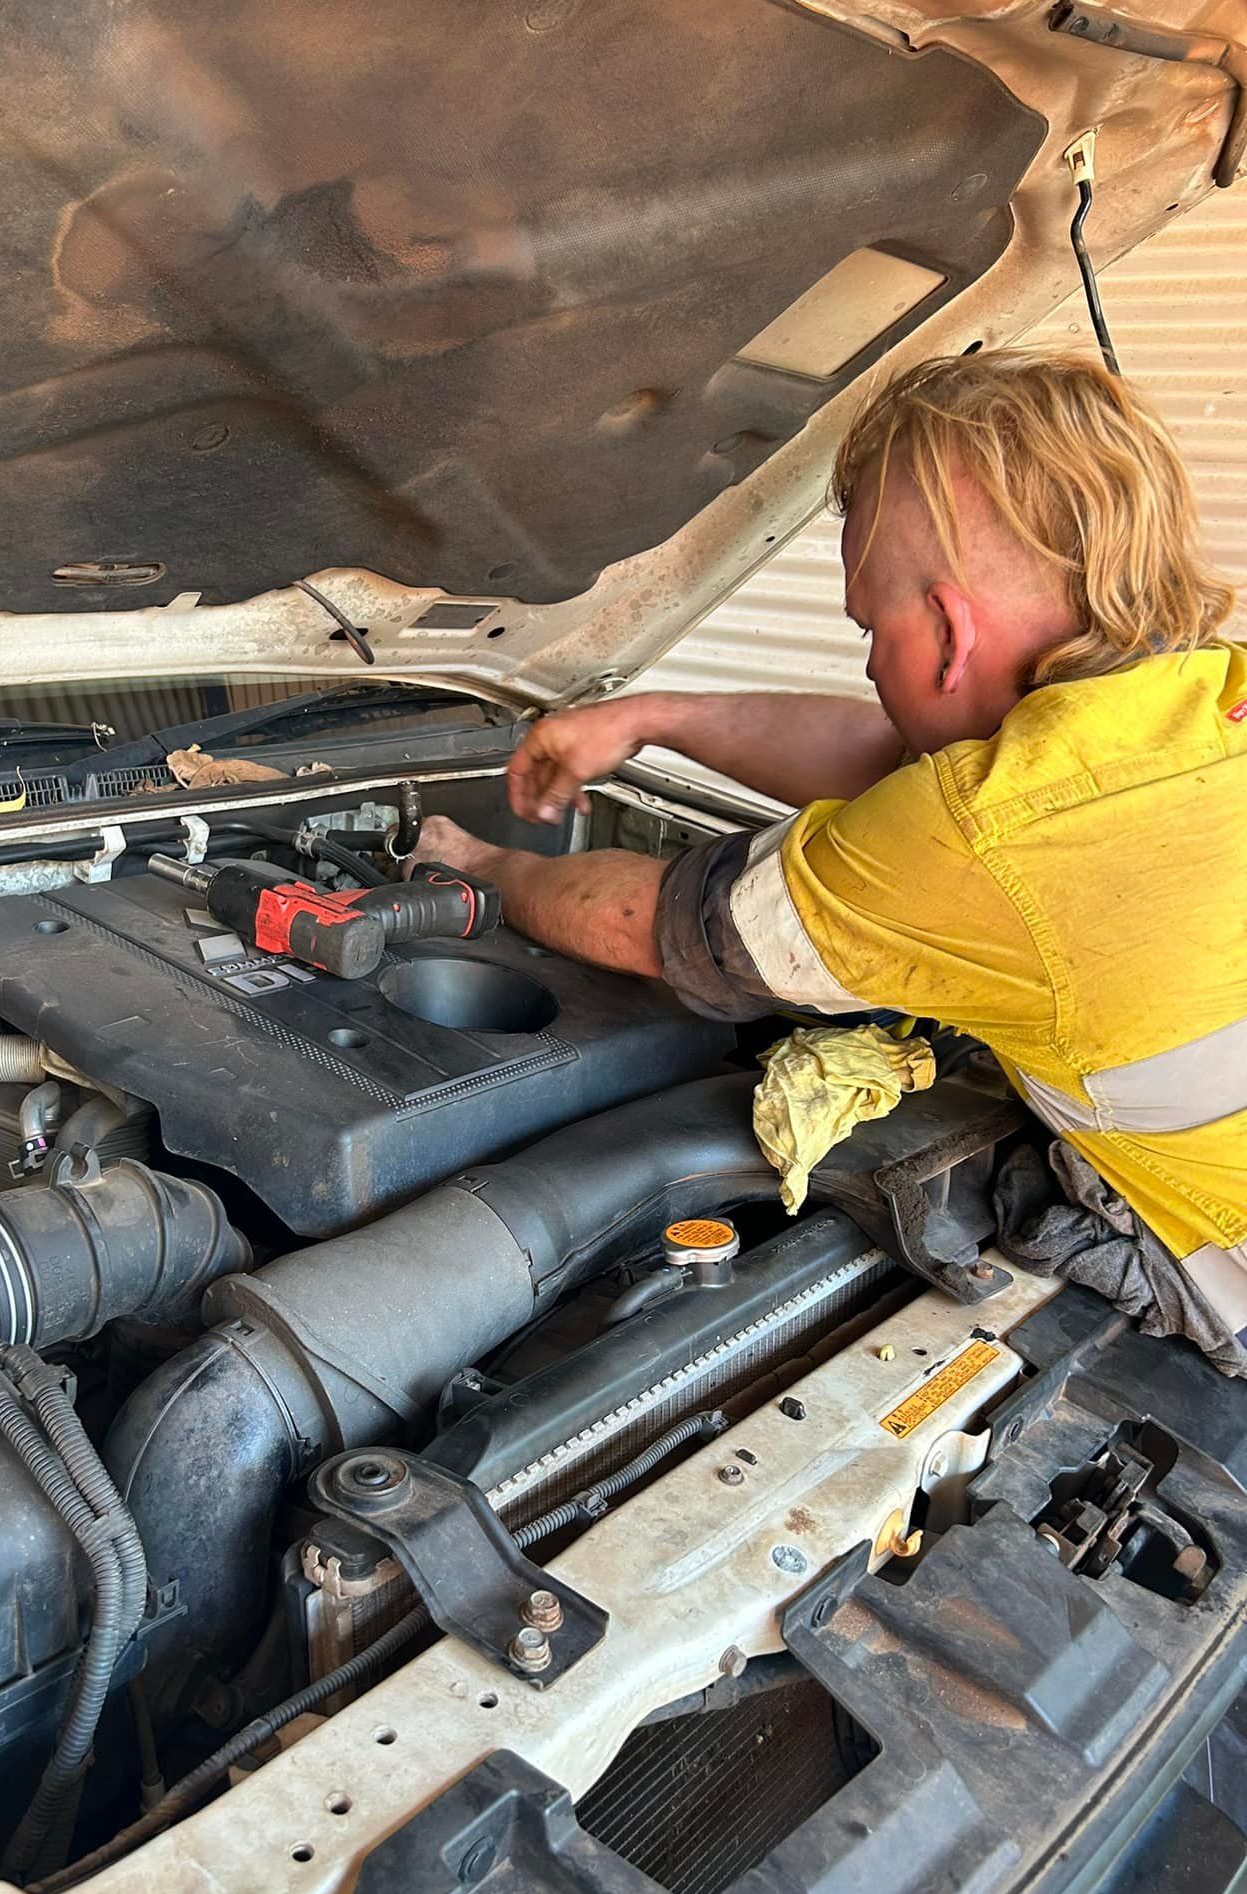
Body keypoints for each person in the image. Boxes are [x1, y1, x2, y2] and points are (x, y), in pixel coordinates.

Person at [415, 351, 1247, 1366]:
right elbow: (892, 758)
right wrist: (651, 716)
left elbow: (647, 922)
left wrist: (481, 865)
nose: (867, 661)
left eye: (871, 626)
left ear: (948, 629)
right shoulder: (1193, 709)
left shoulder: (987, 836)